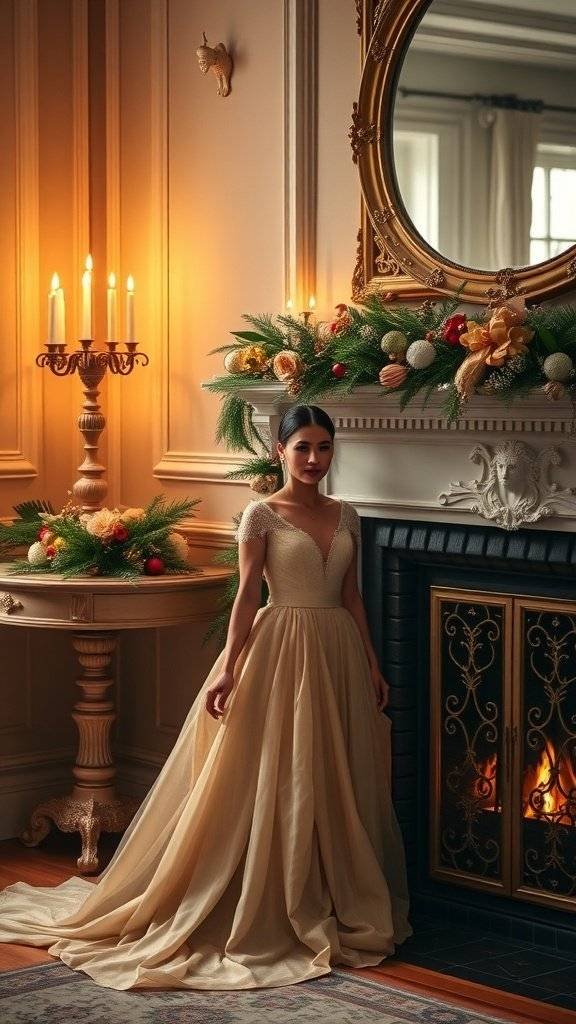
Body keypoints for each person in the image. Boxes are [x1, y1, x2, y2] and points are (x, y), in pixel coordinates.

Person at [0, 403, 411, 990]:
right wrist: (226, 668)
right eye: (303, 448)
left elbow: (351, 595)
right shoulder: (261, 515)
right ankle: (266, 891)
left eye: (325, 447)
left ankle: (328, 884)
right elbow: (246, 597)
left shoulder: (348, 516)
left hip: (338, 650)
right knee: (277, 770)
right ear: (280, 451)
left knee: (330, 769)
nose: (315, 459)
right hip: (279, 649)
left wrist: (370, 661)